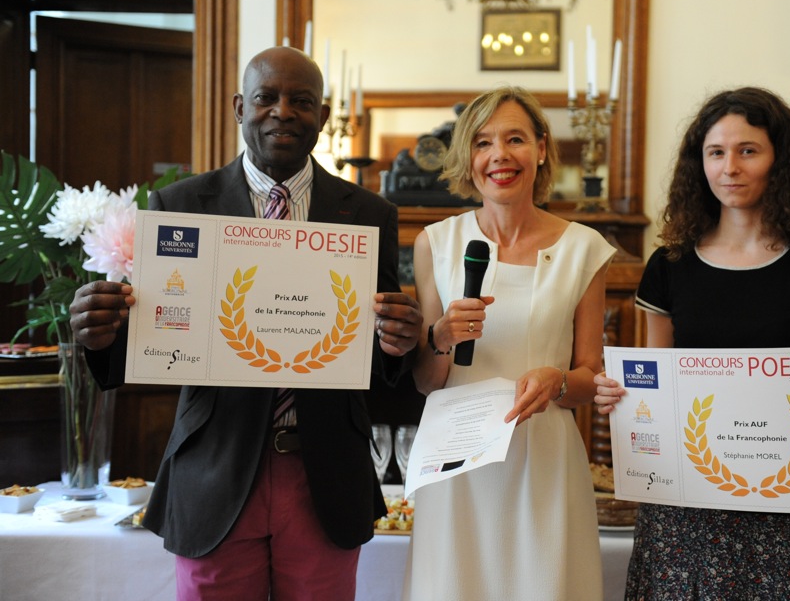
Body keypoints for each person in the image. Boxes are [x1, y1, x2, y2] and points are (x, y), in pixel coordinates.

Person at [68, 46, 422, 600]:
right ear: (239, 107)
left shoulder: (369, 214)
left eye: (301, 101)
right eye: (266, 98)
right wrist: (102, 332)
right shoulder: (180, 204)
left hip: (325, 469)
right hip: (215, 469)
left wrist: (397, 342)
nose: (283, 111)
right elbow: (155, 335)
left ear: (323, 118)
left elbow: (377, 359)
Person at [595, 87, 790, 600]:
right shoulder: (668, 267)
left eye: (748, 150)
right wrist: (622, 398)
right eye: (716, 152)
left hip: (781, 502)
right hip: (681, 505)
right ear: (700, 163)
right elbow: (655, 386)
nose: (730, 167)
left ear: (780, 160)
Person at [402, 86, 614, 600]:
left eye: (514, 139)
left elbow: (591, 377)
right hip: (456, 462)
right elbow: (428, 382)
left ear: (541, 148)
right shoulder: (436, 242)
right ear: (467, 159)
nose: (499, 155)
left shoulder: (583, 249)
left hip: (543, 458)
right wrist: (441, 339)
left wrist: (557, 379)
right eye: (482, 143)